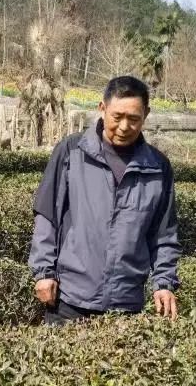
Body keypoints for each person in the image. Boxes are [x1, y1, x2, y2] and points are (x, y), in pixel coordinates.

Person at [29, 75, 180, 325]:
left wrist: (163, 283)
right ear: (102, 109)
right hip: (70, 300)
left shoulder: (157, 167)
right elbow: (47, 217)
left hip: (126, 304)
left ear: (146, 115)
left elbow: (164, 234)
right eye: (117, 117)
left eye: (134, 119)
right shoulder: (71, 152)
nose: (124, 127)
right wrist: (44, 272)